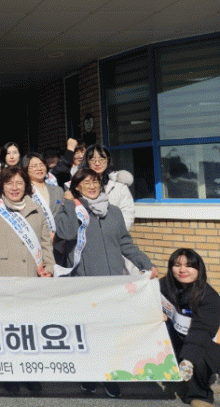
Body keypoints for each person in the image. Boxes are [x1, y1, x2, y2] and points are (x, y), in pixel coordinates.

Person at [55, 169, 158, 398]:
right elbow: (66, 233)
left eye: (95, 181)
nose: (92, 186)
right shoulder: (71, 209)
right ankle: (89, 374)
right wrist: (69, 204)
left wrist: (145, 264)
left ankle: (110, 375)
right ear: (77, 187)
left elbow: (125, 243)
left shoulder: (114, 212)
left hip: (113, 285)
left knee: (111, 333)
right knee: (88, 332)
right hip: (85, 284)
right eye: (86, 182)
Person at [0, 166, 54, 395]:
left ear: (25, 185)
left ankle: (29, 372)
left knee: (28, 327)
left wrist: (49, 268)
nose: (14, 188)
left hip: (30, 274)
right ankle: (8, 373)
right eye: (9, 183)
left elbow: (45, 244)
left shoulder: (37, 210)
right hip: (3, 273)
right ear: (2, 186)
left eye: (19, 183)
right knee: (5, 326)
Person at [160, 248, 220, 407]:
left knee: (198, 358)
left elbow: (202, 330)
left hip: (203, 340)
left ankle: (200, 396)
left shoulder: (210, 297)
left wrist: (188, 359)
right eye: (177, 265)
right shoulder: (163, 285)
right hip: (174, 337)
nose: (182, 270)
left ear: (199, 269)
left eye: (189, 266)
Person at [80, 145, 135, 230]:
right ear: (86, 161)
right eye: (92, 159)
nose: (97, 163)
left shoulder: (118, 186)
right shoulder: (79, 185)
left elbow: (128, 213)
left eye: (101, 159)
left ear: (108, 160)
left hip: (114, 234)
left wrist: (118, 232)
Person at [22, 153, 64, 243]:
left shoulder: (58, 190)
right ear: (26, 169)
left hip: (59, 240)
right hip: (36, 240)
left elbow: (63, 215)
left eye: (42, 165)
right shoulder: (23, 192)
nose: (39, 168)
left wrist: (58, 234)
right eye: (34, 166)